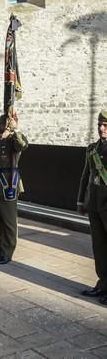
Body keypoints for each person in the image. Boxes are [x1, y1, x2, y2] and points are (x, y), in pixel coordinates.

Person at [0, 114, 28, 265]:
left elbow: (22, 145)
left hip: (8, 184)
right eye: (0, 121)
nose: (0, 123)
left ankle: (7, 252)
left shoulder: (13, 140)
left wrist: (16, 129)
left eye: (4, 122)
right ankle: (0, 250)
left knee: (9, 223)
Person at [78, 110, 107, 303]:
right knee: (99, 246)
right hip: (95, 203)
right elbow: (85, 177)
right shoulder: (92, 149)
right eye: (99, 124)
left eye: (105, 125)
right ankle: (103, 283)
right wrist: (81, 200)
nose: (101, 128)